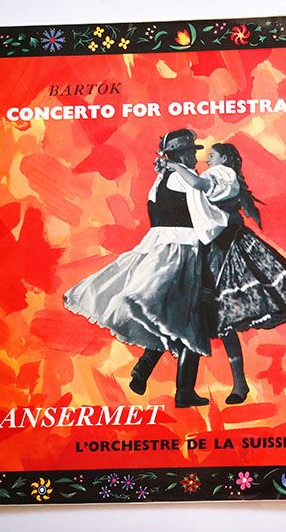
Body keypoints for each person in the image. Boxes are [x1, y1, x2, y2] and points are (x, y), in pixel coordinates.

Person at [63, 129, 231, 407]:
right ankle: (183, 390)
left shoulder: (161, 179)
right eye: (191, 153)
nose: (195, 157)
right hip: (181, 251)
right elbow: (205, 210)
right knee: (188, 319)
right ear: (181, 156)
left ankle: (144, 370)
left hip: (160, 248)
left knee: (169, 316)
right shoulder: (183, 177)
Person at [164, 142, 286, 404]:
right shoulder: (213, 174)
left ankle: (236, 384)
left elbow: (198, 185)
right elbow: (193, 193)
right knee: (220, 318)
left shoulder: (223, 173)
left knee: (225, 315)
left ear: (225, 158)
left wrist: (173, 165)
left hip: (229, 247)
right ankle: (236, 384)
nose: (207, 158)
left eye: (212, 154)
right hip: (214, 247)